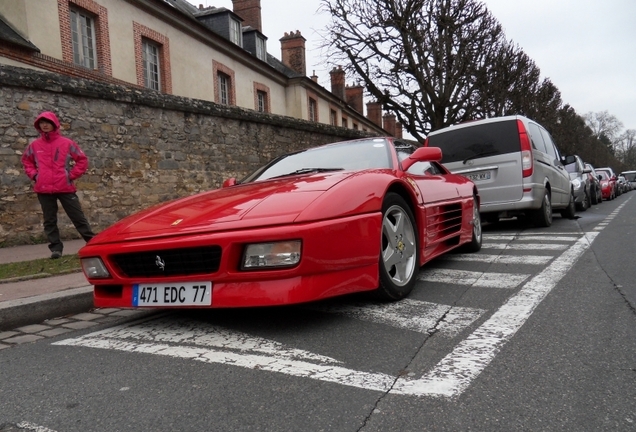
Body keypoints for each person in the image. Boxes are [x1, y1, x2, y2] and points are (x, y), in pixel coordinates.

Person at [21, 111, 95, 259]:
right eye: (42, 123)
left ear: (54, 124)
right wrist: (35, 175)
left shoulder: (67, 143)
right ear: (38, 126)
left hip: (65, 187)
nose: (45, 125)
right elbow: (26, 161)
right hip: (43, 188)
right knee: (49, 220)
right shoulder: (35, 146)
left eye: (47, 122)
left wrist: (70, 176)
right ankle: (56, 249)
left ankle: (93, 243)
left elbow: (82, 160)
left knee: (78, 217)